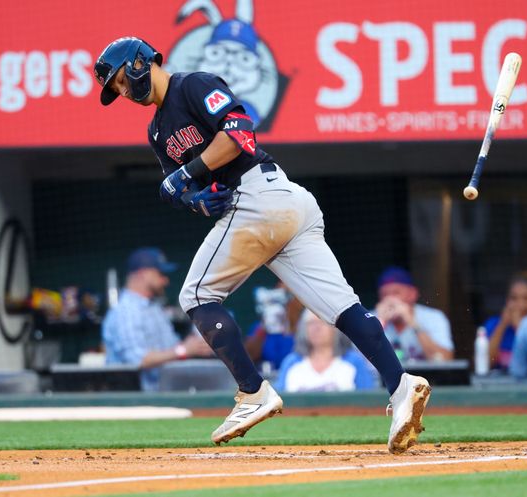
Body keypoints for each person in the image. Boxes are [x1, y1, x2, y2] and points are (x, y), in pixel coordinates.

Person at [93, 37, 430, 454]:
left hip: (260, 195)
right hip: (279, 208)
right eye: (118, 89)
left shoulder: (192, 84)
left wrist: (187, 176)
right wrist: (195, 200)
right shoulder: (157, 130)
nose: (124, 92)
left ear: (142, 63)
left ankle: (252, 391)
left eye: (123, 80)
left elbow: (238, 132)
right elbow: (186, 189)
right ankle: (401, 385)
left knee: (196, 293)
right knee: (342, 308)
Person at [102, 247, 213, 391]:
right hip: (134, 402)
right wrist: (183, 350)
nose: (166, 280)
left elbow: (170, 349)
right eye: (161, 274)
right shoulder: (126, 311)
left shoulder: (154, 307)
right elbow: (138, 361)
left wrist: (195, 345)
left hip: (160, 395)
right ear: (142, 274)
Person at [274, 310, 378, 392]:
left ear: (336, 328)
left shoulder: (354, 361)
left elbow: (368, 400)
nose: (316, 328)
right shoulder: (291, 362)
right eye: (311, 323)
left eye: (322, 322)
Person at [375, 267, 454, 361]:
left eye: (396, 293)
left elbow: (445, 359)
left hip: (425, 376)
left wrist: (413, 323)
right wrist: (379, 324)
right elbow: (360, 365)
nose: (390, 300)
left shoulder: (433, 317)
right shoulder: (370, 318)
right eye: (384, 295)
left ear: (412, 294)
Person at [481, 272, 527, 370]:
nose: (520, 305)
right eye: (514, 298)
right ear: (507, 300)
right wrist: (502, 325)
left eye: (526, 298)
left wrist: (519, 328)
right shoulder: (493, 324)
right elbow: (484, 364)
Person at [243, 282, 302, 372]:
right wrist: (264, 327)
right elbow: (248, 356)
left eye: (288, 296)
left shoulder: (305, 325)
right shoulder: (260, 327)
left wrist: (291, 322)